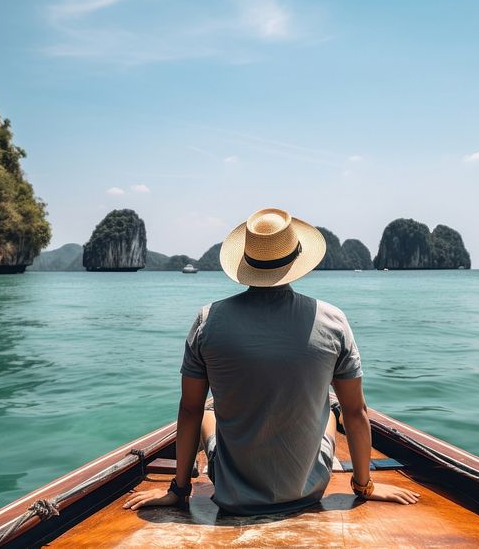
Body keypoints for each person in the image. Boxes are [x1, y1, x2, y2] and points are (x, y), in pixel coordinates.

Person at [124, 208, 420, 514]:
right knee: (333, 412)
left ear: (245, 261)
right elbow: (356, 412)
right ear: (296, 260)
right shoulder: (333, 320)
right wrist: (364, 486)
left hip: (233, 493)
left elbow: (188, 410)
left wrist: (178, 490)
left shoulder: (208, 320)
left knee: (206, 412)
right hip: (308, 489)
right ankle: (328, 411)